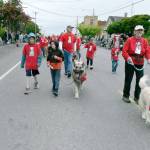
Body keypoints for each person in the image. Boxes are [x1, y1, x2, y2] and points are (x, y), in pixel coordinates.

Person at [122, 25, 150, 104]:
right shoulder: (129, 40)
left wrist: (148, 58)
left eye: (141, 30)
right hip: (130, 62)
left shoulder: (144, 41)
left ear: (143, 32)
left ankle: (137, 97)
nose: (139, 32)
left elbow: (147, 51)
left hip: (140, 62)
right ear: (134, 31)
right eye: (138, 30)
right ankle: (125, 95)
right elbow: (124, 51)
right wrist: (127, 57)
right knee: (128, 79)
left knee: (140, 81)